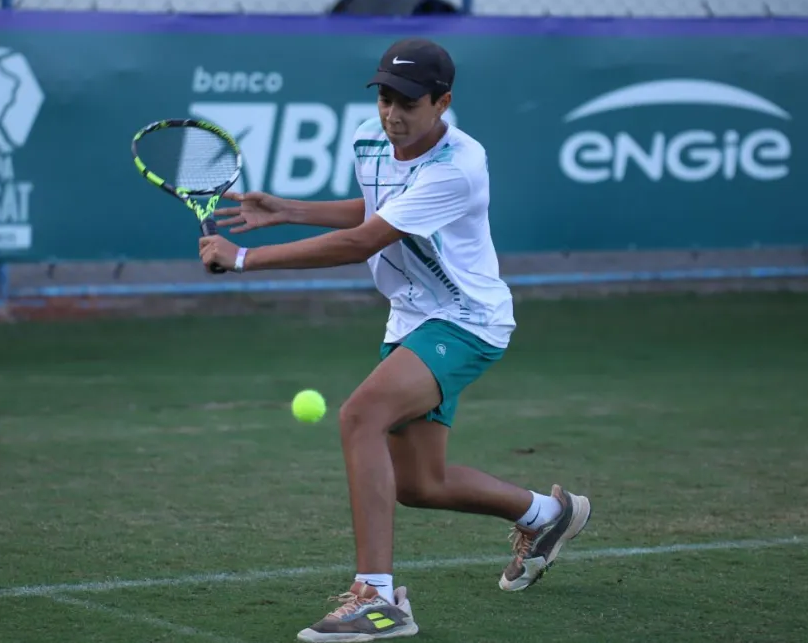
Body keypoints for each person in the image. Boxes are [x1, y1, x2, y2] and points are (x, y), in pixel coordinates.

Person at [200, 37, 591, 642]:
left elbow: (364, 241)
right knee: (418, 485)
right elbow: (377, 209)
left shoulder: (458, 166)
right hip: (410, 316)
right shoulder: (370, 138)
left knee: (360, 416)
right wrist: (289, 209)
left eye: (408, 102)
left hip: (467, 320)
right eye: (385, 98)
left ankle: (377, 600)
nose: (393, 113)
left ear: (442, 103)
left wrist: (246, 258)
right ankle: (546, 513)